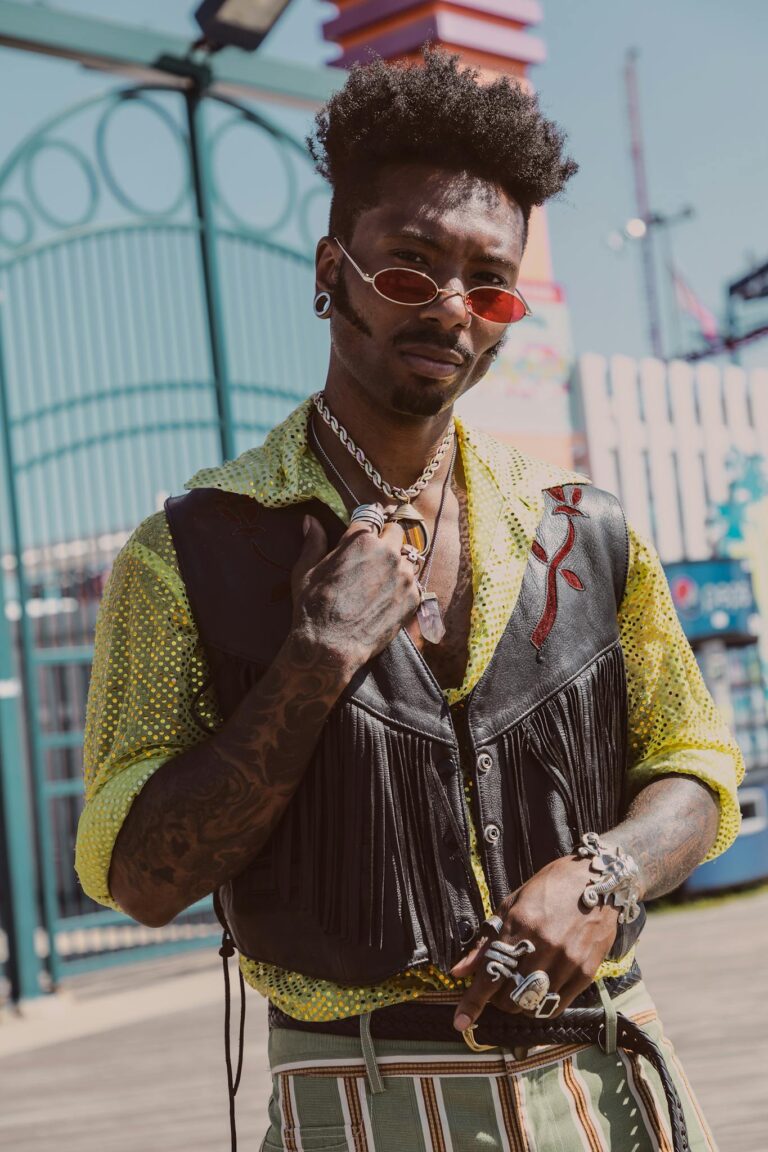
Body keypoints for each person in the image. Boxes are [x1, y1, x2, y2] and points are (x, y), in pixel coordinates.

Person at [76, 50, 742, 1151]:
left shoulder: (588, 533)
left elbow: (697, 766)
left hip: (605, 1086)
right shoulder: (184, 558)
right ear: (330, 270)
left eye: (489, 283)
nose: (449, 308)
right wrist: (314, 659)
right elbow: (144, 877)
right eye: (407, 268)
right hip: (361, 1100)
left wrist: (605, 875)